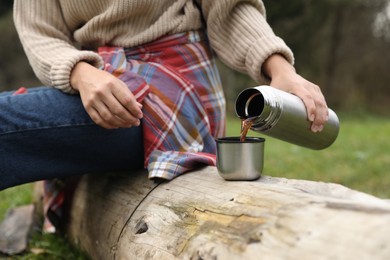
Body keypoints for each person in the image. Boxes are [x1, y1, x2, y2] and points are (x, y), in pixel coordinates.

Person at [2, 0, 328, 230]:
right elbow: (39, 32)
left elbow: (231, 8)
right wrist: (80, 73)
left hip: (175, 88)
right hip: (96, 83)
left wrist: (279, 67)